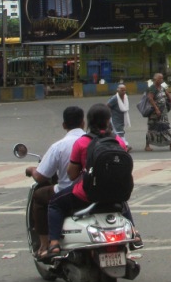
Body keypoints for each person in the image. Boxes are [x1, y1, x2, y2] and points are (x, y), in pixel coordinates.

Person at [43, 103, 136, 259]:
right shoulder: (118, 141)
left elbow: (72, 175)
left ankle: (53, 243)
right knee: (121, 201)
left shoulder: (82, 142)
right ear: (108, 120)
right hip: (117, 191)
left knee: (55, 204)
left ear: (88, 122)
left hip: (88, 194)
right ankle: (135, 233)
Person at [25, 106, 86, 258]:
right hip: (95, 190)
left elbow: (40, 177)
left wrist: (32, 170)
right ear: (83, 123)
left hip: (71, 193)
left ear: (64, 125)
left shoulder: (59, 146)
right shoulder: (94, 141)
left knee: (39, 196)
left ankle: (46, 244)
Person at [145, 72, 171, 151]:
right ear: (155, 79)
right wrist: (156, 109)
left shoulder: (162, 87)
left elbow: (167, 94)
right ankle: (147, 145)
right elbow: (150, 99)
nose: (161, 80)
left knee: (166, 126)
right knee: (152, 128)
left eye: (162, 78)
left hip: (163, 111)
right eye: (159, 78)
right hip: (154, 112)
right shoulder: (152, 88)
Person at [107, 83, 132, 151]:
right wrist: (109, 115)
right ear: (117, 90)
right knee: (119, 132)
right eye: (122, 90)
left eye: (124, 90)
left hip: (122, 118)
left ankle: (118, 145)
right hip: (115, 118)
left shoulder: (126, 97)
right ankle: (125, 145)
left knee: (119, 132)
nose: (123, 92)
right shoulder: (115, 98)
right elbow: (107, 105)